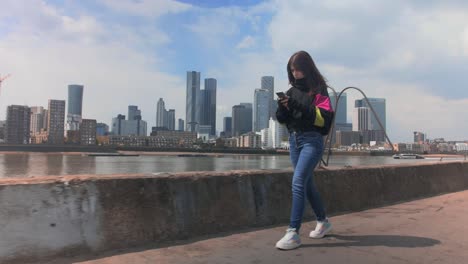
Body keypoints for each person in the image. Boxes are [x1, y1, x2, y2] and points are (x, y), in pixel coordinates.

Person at [275, 50, 334, 250]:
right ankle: (323, 221)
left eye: (298, 69)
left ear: (307, 68)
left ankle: (293, 232)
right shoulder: (290, 92)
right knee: (307, 184)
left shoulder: (319, 90)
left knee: (298, 181)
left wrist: (295, 104)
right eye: (292, 70)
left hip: (312, 141)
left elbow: (323, 118)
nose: (295, 74)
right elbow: (284, 120)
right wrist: (283, 108)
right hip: (294, 140)